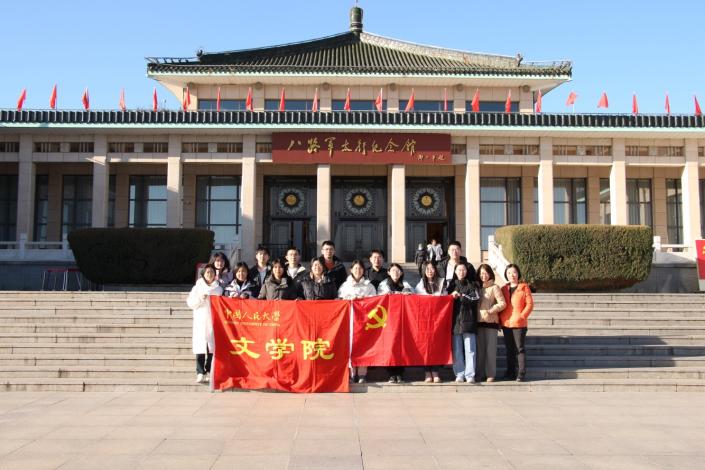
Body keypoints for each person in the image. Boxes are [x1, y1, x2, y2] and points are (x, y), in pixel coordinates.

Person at [338, 259, 377, 384]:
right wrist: (350, 299)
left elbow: (375, 301)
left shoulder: (369, 286)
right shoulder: (345, 285)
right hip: (349, 320)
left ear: (363, 270)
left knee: (364, 346)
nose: (357, 270)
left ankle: (362, 374)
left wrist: (363, 300)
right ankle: (351, 373)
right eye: (355, 268)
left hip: (365, 321)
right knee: (350, 346)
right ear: (351, 270)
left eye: (360, 268)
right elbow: (340, 300)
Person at [186, 264, 223, 384]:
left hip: (213, 320)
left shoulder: (218, 289)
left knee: (211, 348)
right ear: (203, 274)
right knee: (200, 347)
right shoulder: (197, 287)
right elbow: (190, 303)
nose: (210, 274)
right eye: (207, 272)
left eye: (212, 272)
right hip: (201, 320)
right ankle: (200, 372)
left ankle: (209, 370)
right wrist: (200, 298)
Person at [376, 263, 413, 383]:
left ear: (401, 273)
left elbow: (412, 296)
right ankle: (391, 374)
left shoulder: (406, 284)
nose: (395, 273)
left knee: (401, 346)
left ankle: (400, 373)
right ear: (388, 272)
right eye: (393, 270)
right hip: (388, 320)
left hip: (403, 320)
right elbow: (380, 299)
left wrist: (407, 294)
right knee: (390, 346)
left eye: (398, 271)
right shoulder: (383, 285)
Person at [499, 263, 534, 382]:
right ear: (506, 275)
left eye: (514, 272)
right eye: (509, 273)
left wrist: (522, 316)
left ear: (518, 273)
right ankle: (510, 372)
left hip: (519, 324)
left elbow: (530, 304)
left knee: (519, 348)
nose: (512, 275)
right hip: (506, 323)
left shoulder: (524, 287)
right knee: (509, 349)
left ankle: (521, 373)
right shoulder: (504, 288)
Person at [414, 261, 447, 383]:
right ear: (424, 271)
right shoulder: (420, 285)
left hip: (438, 320)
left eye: (432, 268)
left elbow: (445, 299)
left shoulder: (442, 283)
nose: (430, 271)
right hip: (424, 321)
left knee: (436, 346)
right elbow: (417, 301)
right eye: (427, 269)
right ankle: (427, 372)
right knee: (425, 346)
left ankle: (435, 371)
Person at [449, 263, 480, 384]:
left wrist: (461, 296)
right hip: (455, 322)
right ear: (455, 271)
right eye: (459, 270)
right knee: (457, 350)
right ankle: (459, 374)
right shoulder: (451, 285)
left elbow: (475, 299)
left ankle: (470, 375)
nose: (461, 272)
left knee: (470, 350)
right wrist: (451, 296)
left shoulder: (472, 284)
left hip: (469, 321)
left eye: (463, 270)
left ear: (466, 271)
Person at [475, 264, 506, 383]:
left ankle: (491, 374)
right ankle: (480, 373)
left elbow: (502, 303)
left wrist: (491, 310)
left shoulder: (495, 287)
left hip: (491, 322)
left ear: (490, 274)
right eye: (481, 273)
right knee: (480, 351)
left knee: (490, 350)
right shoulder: (477, 288)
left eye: (485, 273)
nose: (483, 276)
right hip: (479, 322)